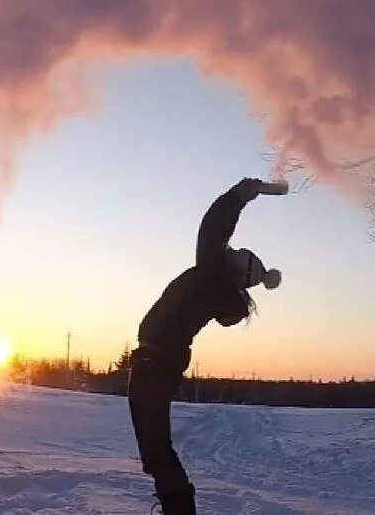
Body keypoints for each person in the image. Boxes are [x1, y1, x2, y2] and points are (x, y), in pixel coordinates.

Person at [127, 177, 283, 515]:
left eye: (235, 254)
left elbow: (213, 227)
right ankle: (178, 507)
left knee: (157, 452)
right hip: (156, 366)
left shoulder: (212, 276)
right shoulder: (216, 283)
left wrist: (241, 194)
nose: (229, 250)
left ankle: (180, 510)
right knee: (156, 451)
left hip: (154, 368)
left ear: (234, 268)